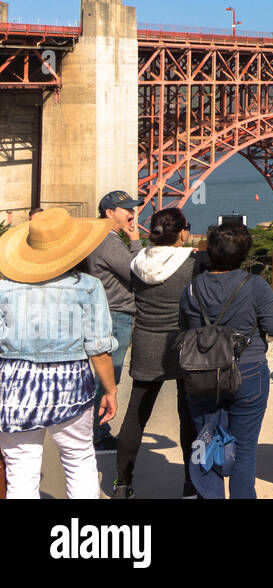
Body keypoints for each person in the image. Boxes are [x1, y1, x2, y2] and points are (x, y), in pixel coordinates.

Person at [0, 208, 119, 498]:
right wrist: (110, 390)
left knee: (21, 469)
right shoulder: (88, 287)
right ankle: (81, 538)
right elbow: (99, 350)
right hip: (70, 382)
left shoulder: (4, 288)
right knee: (79, 459)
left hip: (14, 384)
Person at [179, 220, 273, 498]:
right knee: (244, 450)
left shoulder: (191, 289)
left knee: (206, 444)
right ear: (243, 254)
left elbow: (184, 328)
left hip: (202, 375)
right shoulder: (256, 286)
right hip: (248, 371)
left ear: (209, 251)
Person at [112, 207, 200, 499]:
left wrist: (136, 241)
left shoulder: (136, 262)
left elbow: (140, 258)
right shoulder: (192, 263)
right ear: (182, 233)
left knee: (136, 415)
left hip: (146, 343)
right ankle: (190, 485)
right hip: (182, 344)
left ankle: (122, 484)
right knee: (188, 417)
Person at [84, 189, 144, 450]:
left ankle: (94, 430)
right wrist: (135, 240)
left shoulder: (98, 237)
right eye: (127, 209)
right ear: (110, 213)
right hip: (115, 313)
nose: (132, 213)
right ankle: (98, 433)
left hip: (106, 310)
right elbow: (136, 272)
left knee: (102, 374)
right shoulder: (109, 242)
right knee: (108, 376)